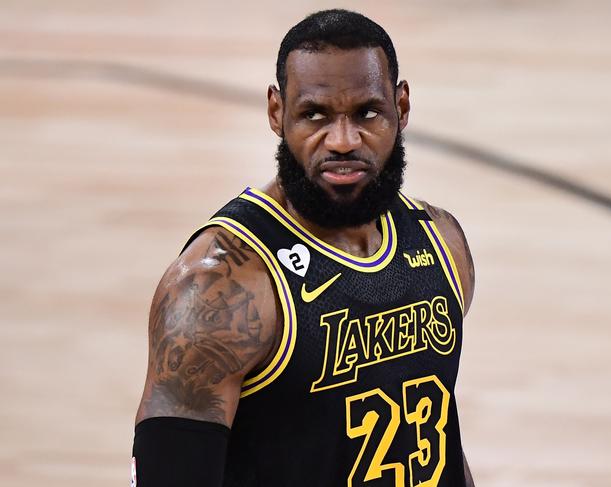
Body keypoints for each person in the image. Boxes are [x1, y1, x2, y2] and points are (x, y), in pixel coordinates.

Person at [132, 8, 476, 487]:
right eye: (314, 115)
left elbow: (439, 449)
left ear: (402, 105)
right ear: (277, 111)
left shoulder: (441, 243)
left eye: (367, 113)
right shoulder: (219, 286)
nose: (342, 140)